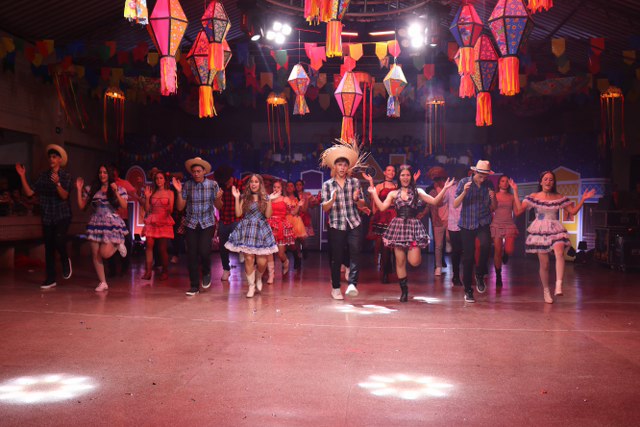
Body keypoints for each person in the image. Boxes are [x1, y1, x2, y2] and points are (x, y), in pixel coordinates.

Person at [366, 165, 454, 302]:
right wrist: (373, 193)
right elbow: (382, 207)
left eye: (407, 175)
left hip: (413, 227)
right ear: (399, 177)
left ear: (411, 177)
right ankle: (404, 290)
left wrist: (445, 188)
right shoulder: (394, 193)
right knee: (400, 262)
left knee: (414, 261)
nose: (405, 177)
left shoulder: (418, 191)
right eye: (402, 175)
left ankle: (412, 259)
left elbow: (435, 201)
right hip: (398, 227)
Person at [512, 171, 596, 303]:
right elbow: (518, 211)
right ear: (541, 182)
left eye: (551, 179)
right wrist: (515, 191)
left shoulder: (559, 197)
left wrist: (583, 199)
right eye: (545, 179)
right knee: (544, 264)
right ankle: (546, 290)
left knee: (559, 252)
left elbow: (572, 211)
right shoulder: (534, 196)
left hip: (555, 228)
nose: (548, 181)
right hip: (540, 229)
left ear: (554, 182)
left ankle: (559, 285)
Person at [15, 144, 73, 289]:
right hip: (47, 216)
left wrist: (57, 183)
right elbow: (29, 193)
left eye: (54, 157)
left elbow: (64, 196)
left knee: (59, 240)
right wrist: (22, 176)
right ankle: (50, 279)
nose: (51, 159)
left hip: (62, 215)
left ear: (60, 160)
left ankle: (65, 260)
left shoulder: (65, 176)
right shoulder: (43, 176)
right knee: (49, 248)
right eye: (50, 157)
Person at [320, 139, 368, 300]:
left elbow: (362, 204)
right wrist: (331, 200)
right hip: (336, 224)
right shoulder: (327, 185)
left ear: (348, 168)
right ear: (335, 167)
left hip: (354, 222)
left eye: (345, 165)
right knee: (337, 257)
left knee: (355, 253)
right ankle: (335, 288)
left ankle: (352, 284)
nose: (342, 168)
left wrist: (357, 199)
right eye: (339, 165)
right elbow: (325, 207)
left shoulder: (354, 182)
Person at [172, 157, 223, 296]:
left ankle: (206, 272)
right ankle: (194, 286)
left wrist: (218, 198)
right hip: (191, 223)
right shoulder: (187, 185)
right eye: (194, 171)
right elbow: (180, 207)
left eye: (198, 171)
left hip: (207, 223)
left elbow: (219, 206)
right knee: (192, 254)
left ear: (204, 171)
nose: (196, 173)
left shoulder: (212, 185)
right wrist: (179, 192)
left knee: (204, 251)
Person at [225, 174, 279, 297]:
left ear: (260, 184)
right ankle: (251, 286)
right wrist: (236, 198)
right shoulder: (245, 197)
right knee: (249, 259)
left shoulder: (265, 197)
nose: (254, 184)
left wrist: (269, 200)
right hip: (247, 229)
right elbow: (238, 214)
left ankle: (258, 277)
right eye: (251, 182)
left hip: (261, 230)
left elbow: (268, 215)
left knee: (262, 262)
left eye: (256, 181)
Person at [76, 165, 128, 292]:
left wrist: (116, 191)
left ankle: (118, 243)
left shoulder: (118, 188)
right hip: (96, 222)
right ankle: (103, 282)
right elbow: (82, 207)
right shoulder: (93, 189)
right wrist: (79, 190)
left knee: (104, 253)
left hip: (111, 222)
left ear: (109, 174)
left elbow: (124, 206)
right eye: (100, 172)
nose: (102, 175)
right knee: (95, 253)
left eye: (105, 172)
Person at [454, 160, 497, 303]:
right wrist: (464, 192)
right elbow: (455, 204)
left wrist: (493, 198)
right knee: (468, 257)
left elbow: (494, 207)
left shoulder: (489, 185)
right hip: (467, 223)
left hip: (483, 221)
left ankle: (479, 274)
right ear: (475, 172)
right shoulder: (464, 182)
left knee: (485, 245)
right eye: (481, 176)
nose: (483, 179)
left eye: (485, 176)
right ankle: (468, 290)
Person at [142, 170, 174, 281]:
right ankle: (148, 271)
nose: (158, 180)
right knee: (149, 245)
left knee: (162, 248)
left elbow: (171, 209)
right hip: (152, 219)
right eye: (156, 178)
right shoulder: (152, 192)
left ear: (165, 180)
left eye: (161, 178)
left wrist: (168, 208)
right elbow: (147, 209)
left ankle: (165, 271)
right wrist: (147, 197)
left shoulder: (170, 193)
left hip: (164, 220)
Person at [368, 165, 397, 283]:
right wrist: (375, 212)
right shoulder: (380, 186)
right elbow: (374, 199)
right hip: (383, 215)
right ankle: (385, 272)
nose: (391, 172)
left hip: (394, 215)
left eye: (393, 170)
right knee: (384, 245)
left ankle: (390, 267)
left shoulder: (397, 186)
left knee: (393, 245)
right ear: (385, 172)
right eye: (389, 170)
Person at [490, 175, 519, 287]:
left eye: (507, 181)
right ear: (499, 183)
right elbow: (491, 209)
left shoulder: (511, 197)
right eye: (502, 181)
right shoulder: (495, 195)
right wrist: (492, 199)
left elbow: (516, 212)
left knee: (509, 249)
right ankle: (498, 276)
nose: (505, 183)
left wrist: (516, 193)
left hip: (509, 224)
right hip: (497, 224)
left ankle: (506, 254)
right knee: (497, 251)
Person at [214, 165, 240, 281]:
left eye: (227, 181)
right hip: (224, 219)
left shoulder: (239, 184)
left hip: (237, 218)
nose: (226, 183)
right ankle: (226, 268)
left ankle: (248, 261)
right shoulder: (220, 187)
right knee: (222, 246)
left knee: (240, 240)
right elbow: (218, 207)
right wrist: (217, 198)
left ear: (230, 178)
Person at [266, 180, 295, 282]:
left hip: (281, 226)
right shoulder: (269, 198)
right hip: (270, 225)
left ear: (281, 189)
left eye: (278, 187)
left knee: (280, 254)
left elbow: (292, 212)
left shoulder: (285, 199)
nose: (276, 189)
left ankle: (285, 261)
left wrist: (296, 205)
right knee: (269, 252)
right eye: (274, 187)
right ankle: (271, 274)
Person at [427, 166, 449, 277]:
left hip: (449, 220)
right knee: (438, 245)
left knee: (450, 241)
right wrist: (423, 213)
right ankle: (438, 266)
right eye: (434, 178)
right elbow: (430, 205)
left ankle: (452, 264)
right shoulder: (431, 190)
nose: (437, 180)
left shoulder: (449, 188)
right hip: (437, 220)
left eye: (438, 178)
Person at [284, 181, 307, 270]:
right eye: (288, 186)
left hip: (296, 220)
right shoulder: (284, 198)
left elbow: (301, 210)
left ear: (294, 188)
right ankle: (295, 258)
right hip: (287, 220)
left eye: (291, 186)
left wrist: (301, 204)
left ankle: (299, 257)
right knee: (290, 243)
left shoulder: (297, 198)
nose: (289, 187)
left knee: (297, 241)